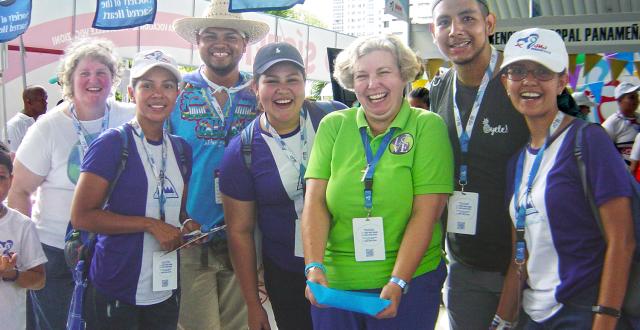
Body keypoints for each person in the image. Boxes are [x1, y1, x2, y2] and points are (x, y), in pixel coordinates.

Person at [302, 34, 453, 329]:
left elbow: (427, 214)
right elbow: (314, 203)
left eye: (384, 72)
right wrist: (313, 266)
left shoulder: (427, 127)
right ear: (351, 82)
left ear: (403, 76)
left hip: (409, 282)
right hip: (334, 285)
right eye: (362, 76)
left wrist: (399, 281)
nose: (373, 84)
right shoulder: (334, 125)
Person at [494, 27, 635, 330]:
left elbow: (622, 241)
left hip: (582, 312)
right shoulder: (516, 162)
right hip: (533, 315)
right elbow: (521, 254)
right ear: (506, 82)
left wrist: (605, 321)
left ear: (562, 82)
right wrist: (502, 320)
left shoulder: (588, 142)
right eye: (517, 71)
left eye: (542, 72)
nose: (529, 81)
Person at [7, 38, 135, 330]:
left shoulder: (129, 118)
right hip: (56, 251)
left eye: (102, 72)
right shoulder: (47, 128)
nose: (94, 80)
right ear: (69, 81)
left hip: (115, 247)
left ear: (113, 78)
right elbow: (19, 190)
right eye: (84, 73)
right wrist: (27, 250)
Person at [220, 42, 346, 330]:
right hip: (288, 273)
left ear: (304, 84)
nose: (283, 89)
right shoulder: (242, 152)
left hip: (348, 264)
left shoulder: (335, 119)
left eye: (292, 79)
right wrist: (253, 305)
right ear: (255, 88)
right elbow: (239, 232)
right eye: (271, 81)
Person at [70, 49, 192, 330]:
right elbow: (82, 216)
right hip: (116, 287)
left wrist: (186, 224)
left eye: (167, 86)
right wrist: (149, 225)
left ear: (178, 94)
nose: (157, 94)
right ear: (131, 92)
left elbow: (178, 210)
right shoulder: (112, 144)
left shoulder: (181, 150)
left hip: (165, 288)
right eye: (147, 85)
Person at [429, 0, 529, 328]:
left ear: (489, 24)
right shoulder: (440, 87)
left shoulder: (521, 81)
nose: (455, 30)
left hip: (525, 266)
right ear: (434, 33)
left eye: (467, 18)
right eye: (444, 22)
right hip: (464, 265)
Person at [170, 0, 269, 328]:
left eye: (231, 36)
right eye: (210, 35)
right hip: (191, 236)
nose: (220, 44)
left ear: (244, 44)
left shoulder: (260, 92)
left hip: (246, 236)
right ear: (198, 42)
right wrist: (177, 218)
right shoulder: (176, 91)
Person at [0, 142, 47, 330]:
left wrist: (12, 273)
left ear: (11, 180)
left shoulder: (22, 226)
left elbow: (39, 280)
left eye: (1, 177)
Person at [602, 81, 640, 166]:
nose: (636, 101)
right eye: (632, 97)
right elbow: (603, 153)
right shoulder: (611, 124)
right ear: (619, 100)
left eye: (637, 97)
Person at [6, 85, 48, 153]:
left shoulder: (45, 120)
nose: (46, 103)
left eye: (46, 99)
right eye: (42, 100)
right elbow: (13, 156)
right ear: (29, 102)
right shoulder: (14, 126)